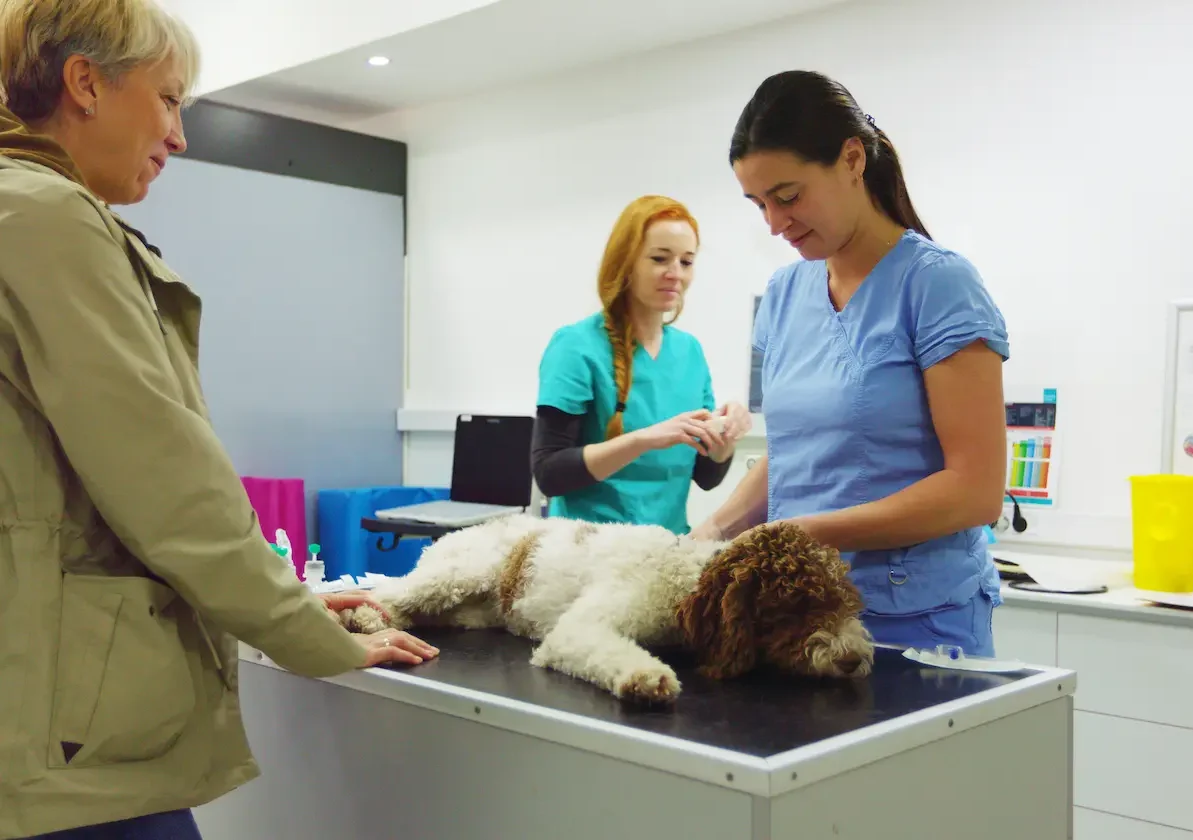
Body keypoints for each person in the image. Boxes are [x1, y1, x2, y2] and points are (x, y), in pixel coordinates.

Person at [0, 2, 437, 838]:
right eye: (168, 99)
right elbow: (164, 481)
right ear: (85, 84)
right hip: (70, 751)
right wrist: (302, 628)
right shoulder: (46, 221)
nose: (180, 134)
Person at [691, 70, 1009, 657]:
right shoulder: (785, 294)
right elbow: (794, 456)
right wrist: (711, 533)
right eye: (758, 203)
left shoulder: (938, 286)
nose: (774, 223)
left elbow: (975, 491)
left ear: (853, 159)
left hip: (916, 624)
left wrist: (802, 534)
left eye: (787, 196)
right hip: (799, 616)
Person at [531, 195, 752, 536]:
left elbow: (706, 477)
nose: (675, 274)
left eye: (687, 262)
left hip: (667, 550)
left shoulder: (689, 352)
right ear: (626, 262)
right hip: (585, 553)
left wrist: (725, 442)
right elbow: (550, 473)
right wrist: (645, 439)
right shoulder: (576, 346)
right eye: (660, 258)